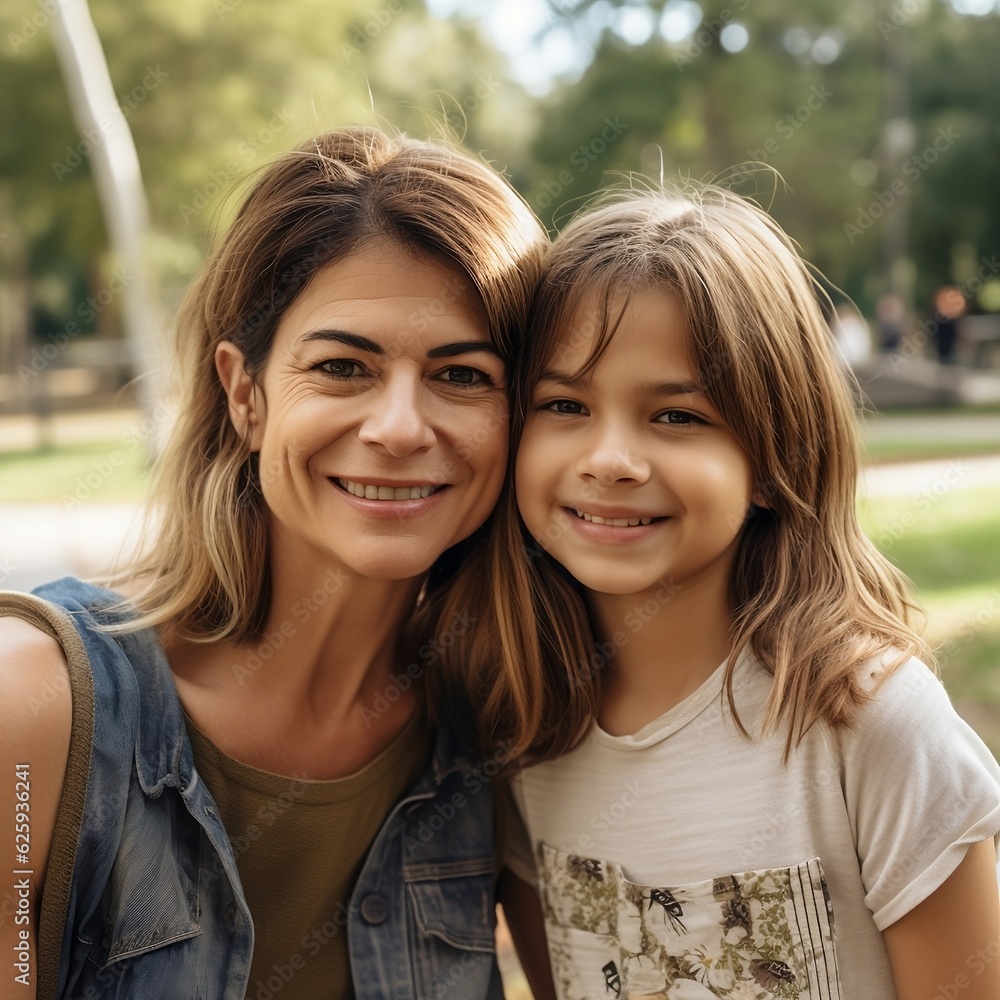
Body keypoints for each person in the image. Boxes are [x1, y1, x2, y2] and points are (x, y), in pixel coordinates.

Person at [0, 126, 546, 999]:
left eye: (464, 376)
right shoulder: (31, 710)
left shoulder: (505, 724)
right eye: (342, 366)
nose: (401, 428)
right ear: (244, 392)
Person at [434, 185, 1000, 998]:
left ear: (776, 461)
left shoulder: (870, 726)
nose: (611, 459)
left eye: (676, 417)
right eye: (564, 405)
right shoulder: (526, 723)